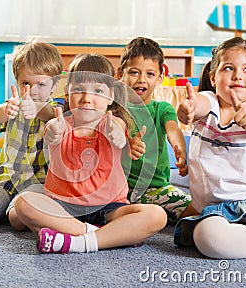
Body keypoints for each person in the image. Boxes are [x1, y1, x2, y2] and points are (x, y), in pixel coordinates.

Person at [14, 53, 167, 253]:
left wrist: (120, 138)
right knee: (23, 204)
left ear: (111, 96)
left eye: (97, 91)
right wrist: (54, 132)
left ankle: (76, 241)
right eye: (78, 90)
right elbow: (52, 133)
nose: (87, 99)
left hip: (109, 208)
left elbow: (118, 132)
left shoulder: (113, 123)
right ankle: (104, 235)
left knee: (157, 215)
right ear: (67, 94)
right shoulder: (59, 124)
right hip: (62, 206)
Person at [175, 37, 246, 259]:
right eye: (229, 68)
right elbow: (197, 106)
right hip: (216, 209)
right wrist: (188, 109)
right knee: (207, 238)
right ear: (213, 78)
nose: (238, 76)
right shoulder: (209, 102)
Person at [0, 42, 63, 229]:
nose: (31, 90)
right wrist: (6, 110)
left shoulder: (56, 110)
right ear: (17, 81)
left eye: (40, 84)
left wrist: (36, 109)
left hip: (39, 181)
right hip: (5, 178)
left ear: (54, 85)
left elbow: (48, 112)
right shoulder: (14, 104)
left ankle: (11, 209)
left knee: (17, 218)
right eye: (25, 83)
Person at [117, 37, 196, 223]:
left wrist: (180, 149)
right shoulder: (113, 109)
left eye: (150, 74)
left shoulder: (163, 109)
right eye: (134, 72)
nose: (141, 80)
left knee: (198, 210)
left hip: (158, 189)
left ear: (160, 78)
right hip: (118, 192)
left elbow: (173, 130)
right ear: (121, 73)